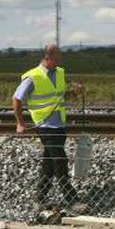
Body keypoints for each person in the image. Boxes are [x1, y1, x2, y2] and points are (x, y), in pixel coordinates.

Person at [13, 44, 86, 214]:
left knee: (49, 163)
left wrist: (77, 93)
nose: (60, 59)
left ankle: (39, 199)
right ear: (48, 57)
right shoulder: (33, 77)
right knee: (60, 161)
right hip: (44, 126)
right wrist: (20, 123)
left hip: (59, 124)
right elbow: (16, 99)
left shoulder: (59, 73)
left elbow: (61, 97)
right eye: (57, 57)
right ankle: (72, 200)